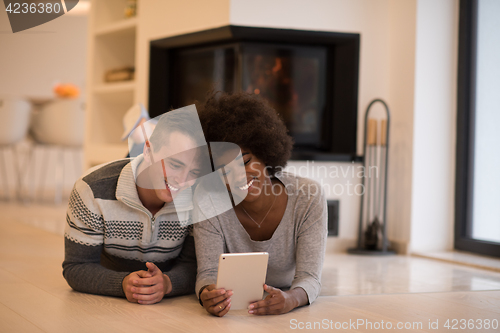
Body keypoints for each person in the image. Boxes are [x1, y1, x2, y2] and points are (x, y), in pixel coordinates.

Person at [193, 91, 327, 316]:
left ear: (265, 153)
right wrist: (208, 293)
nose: (239, 176)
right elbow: (207, 274)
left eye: (246, 161)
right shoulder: (208, 203)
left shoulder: (308, 196)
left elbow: (309, 278)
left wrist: (292, 299)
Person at [63, 106, 208, 304]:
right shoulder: (92, 189)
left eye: (194, 172)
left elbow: (196, 265)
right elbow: (77, 266)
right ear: (148, 150)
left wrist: (167, 283)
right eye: (175, 165)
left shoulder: (198, 196)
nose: (183, 181)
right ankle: (141, 128)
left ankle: (142, 126)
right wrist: (121, 283)